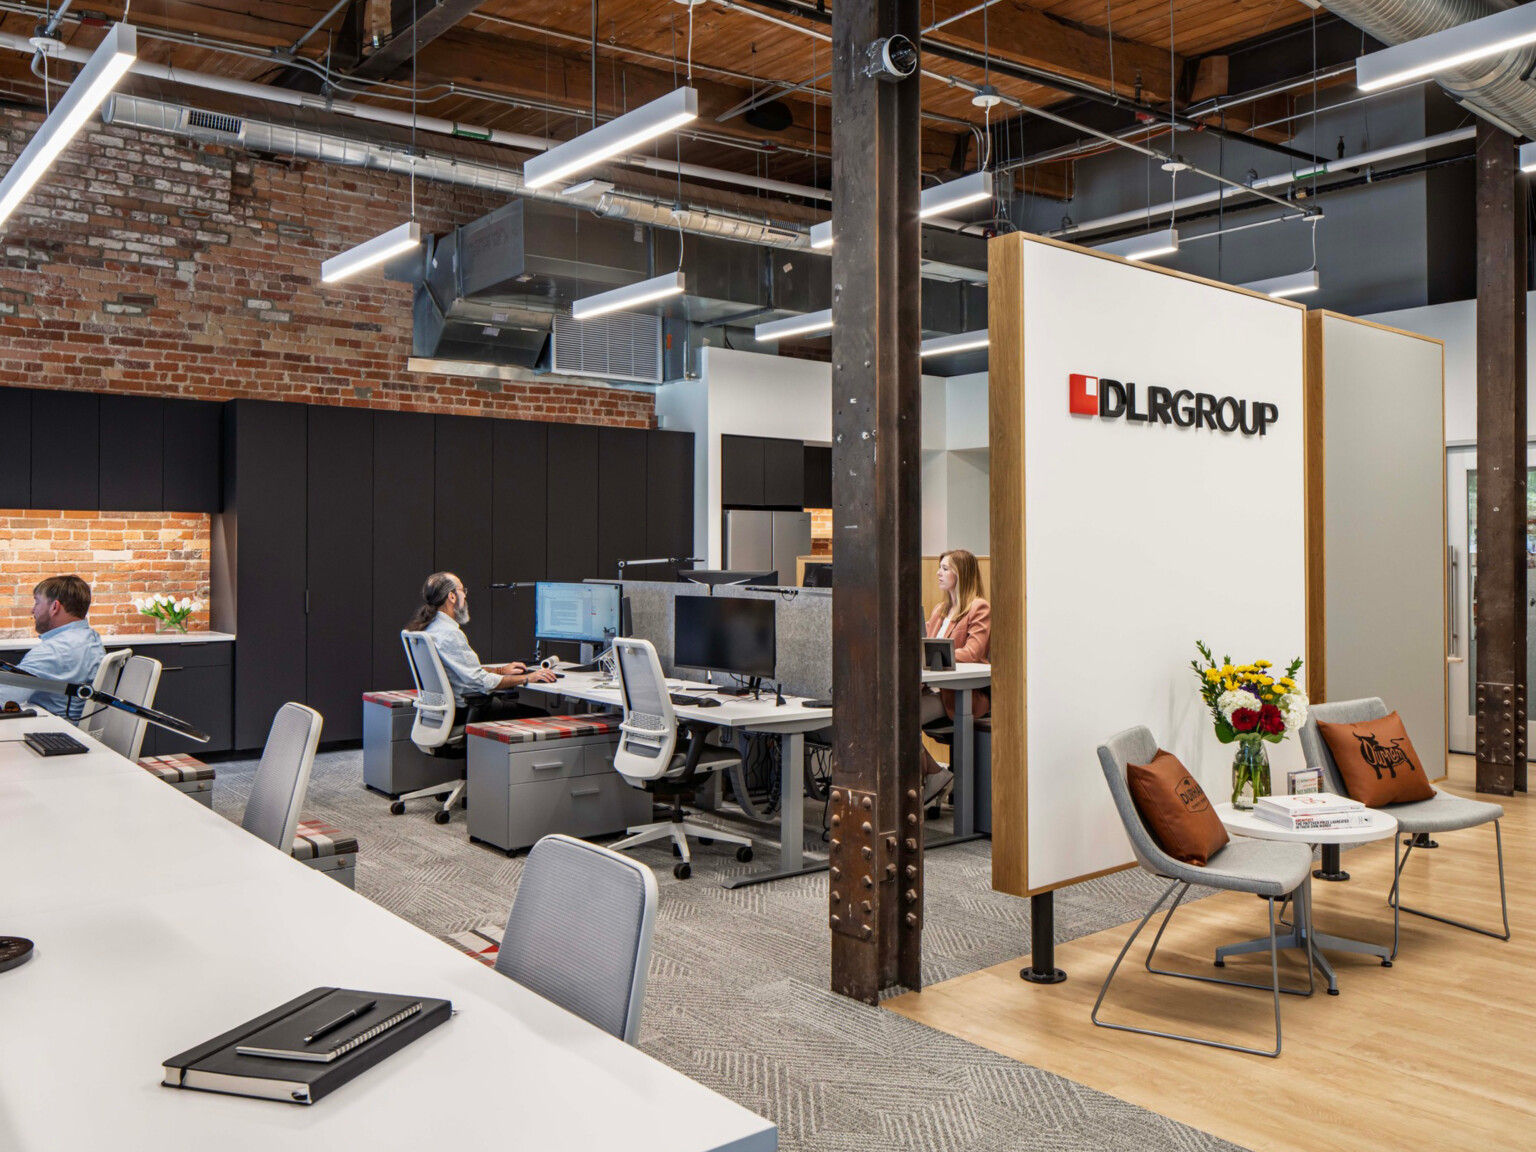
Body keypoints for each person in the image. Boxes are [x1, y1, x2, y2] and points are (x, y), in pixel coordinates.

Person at [403, 571, 555, 722]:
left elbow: (461, 670)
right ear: (452, 596)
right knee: (543, 717)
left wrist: (500, 670)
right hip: (465, 712)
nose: (465, 596)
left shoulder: (429, 628)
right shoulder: (449, 633)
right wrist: (527, 677)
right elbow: (480, 681)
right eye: (463, 590)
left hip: (442, 714)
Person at [921, 549, 991, 804]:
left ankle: (935, 774)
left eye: (945, 568)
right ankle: (934, 772)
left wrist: (936, 657)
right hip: (933, 690)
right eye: (939, 567)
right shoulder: (940, 610)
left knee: (897, 720)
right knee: (888, 718)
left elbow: (973, 652)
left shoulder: (978, 607)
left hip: (959, 694)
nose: (938, 573)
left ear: (962, 574)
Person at [0, 575, 106, 721]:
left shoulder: (54, 650)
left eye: (37, 603)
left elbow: (5, 698)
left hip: (53, 731)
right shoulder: (91, 638)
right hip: (69, 728)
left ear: (54, 607)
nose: (33, 610)